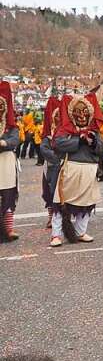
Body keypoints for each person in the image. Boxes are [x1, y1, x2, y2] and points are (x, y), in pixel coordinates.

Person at [51, 92, 103, 246]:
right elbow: (58, 144)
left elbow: (101, 149)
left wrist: (92, 142)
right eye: (78, 112)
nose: (82, 115)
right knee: (61, 201)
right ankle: (56, 234)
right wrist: (78, 141)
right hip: (70, 168)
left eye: (85, 112)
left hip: (89, 170)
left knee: (87, 203)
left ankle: (80, 231)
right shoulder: (65, 130)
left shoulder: (95, 131)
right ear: (71, 114)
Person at [0, 82, 20, 243]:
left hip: (6, 162)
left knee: (8, 196)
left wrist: (4, 143)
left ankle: (8, 228)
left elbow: (15, 140)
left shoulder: (11, 126)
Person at [39, 97, 61, 232]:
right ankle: (51, 216)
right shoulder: (48, 134)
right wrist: (57, 158)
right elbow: (44, 149)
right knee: (49, 192)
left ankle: (64, 215)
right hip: (51, 167)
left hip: (64, 167)